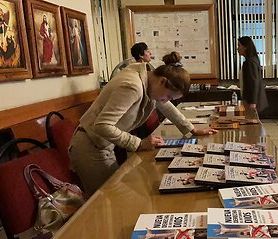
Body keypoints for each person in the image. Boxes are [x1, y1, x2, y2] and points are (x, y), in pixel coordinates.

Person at [68, 52, 218, 195]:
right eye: (169, 96)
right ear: (163, 81)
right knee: (106, 201)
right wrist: (138, 143)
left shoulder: (149, 80)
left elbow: (164, 105)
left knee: (115, 199)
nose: (167, 100)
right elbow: (102, 125)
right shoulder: (132, 86)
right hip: (90, 147)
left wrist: (191, 129)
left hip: (103, 144)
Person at [237, 36, 268, 112]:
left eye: (239, 45)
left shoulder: (250, 62)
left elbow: (254, 82)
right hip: (250, 99)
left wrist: (253, 102)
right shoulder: (253, 59)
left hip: (251, 100)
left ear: (245, 47)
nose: (237, 48)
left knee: (251, 121)